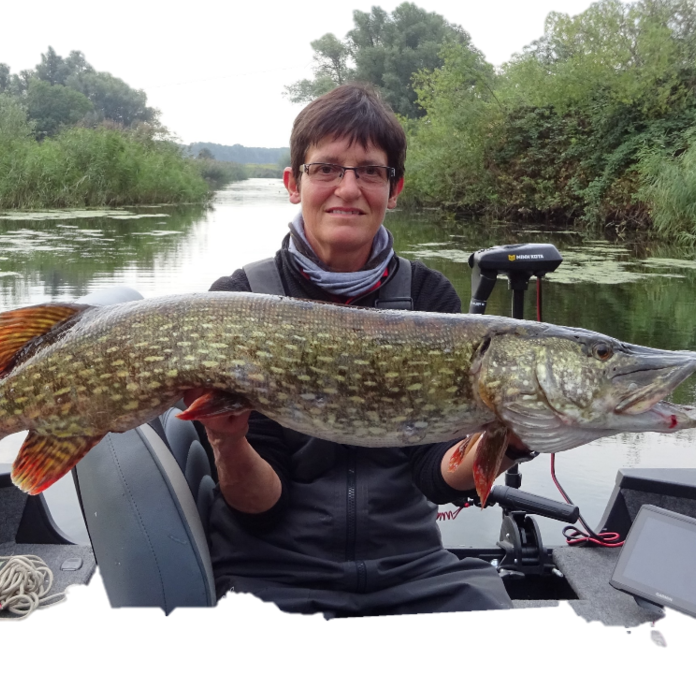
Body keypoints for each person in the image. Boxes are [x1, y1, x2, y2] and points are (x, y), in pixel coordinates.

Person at [183, 84, 530, 618]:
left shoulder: (428, 297)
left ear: (394, 190)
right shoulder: (239, 300)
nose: (348, 188)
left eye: (369, 171)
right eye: (326, 169)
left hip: (410, 570)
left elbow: (435, 476)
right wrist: (227, 443)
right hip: (273, 568)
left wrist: (504, 441)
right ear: (293, 183)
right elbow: (260, 512)